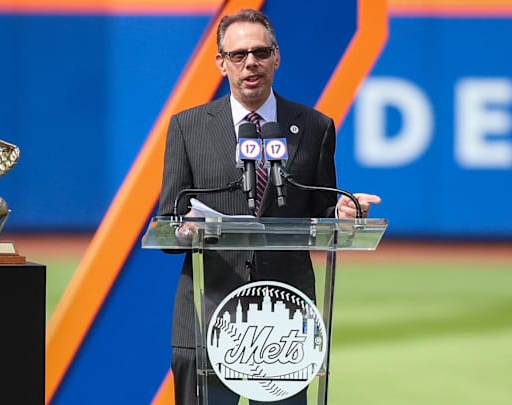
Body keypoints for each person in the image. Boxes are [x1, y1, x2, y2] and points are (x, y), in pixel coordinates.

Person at [157, 8, 381, 404]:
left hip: (285, 318)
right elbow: (169, 220)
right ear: (220, 63)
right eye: (238, 55)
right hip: (209, 312)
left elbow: (321, 207)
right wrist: (183, 228)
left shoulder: (314, 126)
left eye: (260, 53)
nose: (250, 64)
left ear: (276, 57)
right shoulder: (187, 128)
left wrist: (344, 213)